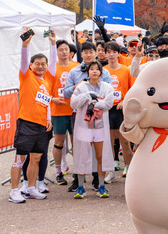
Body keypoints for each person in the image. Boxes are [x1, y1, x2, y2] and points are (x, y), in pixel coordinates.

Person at [9, 28, 57, 203]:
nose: (41, 66)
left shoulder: (47, 80)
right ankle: (14, 191)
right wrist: (25, 46)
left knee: (36, 157)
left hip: (42, 125)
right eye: (37, 63)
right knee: (20, 158)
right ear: (31, 65)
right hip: (26, 122)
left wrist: (53, 44)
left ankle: (31, 188)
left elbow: (45, 100)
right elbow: (23, 60)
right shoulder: (26, 76)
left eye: (43, 63)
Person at [69, 61, 115, 198]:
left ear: (101, 72)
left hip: (100, 126)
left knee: (100, 156)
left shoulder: (107, 87)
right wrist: (86, 97)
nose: (94, 71)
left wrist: (95, 102)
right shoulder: (81, 87)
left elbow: (109, 103)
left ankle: (101, 185)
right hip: (84, 126)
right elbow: (73, 103)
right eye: (92, 69)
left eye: (97, 69)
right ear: (88, 72)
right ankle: (80, 186)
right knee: (82, 155)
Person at [104, 41, 135, 180]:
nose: (111, 55)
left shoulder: (126, 70)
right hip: (107, 109)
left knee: (125, 142)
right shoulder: (103, 70)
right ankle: (110, 171)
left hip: (121, 110)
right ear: (105, 54)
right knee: (109, 142)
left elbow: (132, 90)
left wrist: (124, 101)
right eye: (109, 52)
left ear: (118, 54)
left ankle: (129, 168)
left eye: (114, 52)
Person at [50, 40, 78, 186]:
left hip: (74, 111)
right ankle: (58, 172)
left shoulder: (77, 67)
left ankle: (77, 172)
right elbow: (46, 88)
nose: (64, 52)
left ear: (70, 51)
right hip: (58, 111)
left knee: (76, 143)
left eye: (66, 49)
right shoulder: (52, 68)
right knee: (59, 143)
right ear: (56, 52)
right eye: (61, 49)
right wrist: (53, 99)